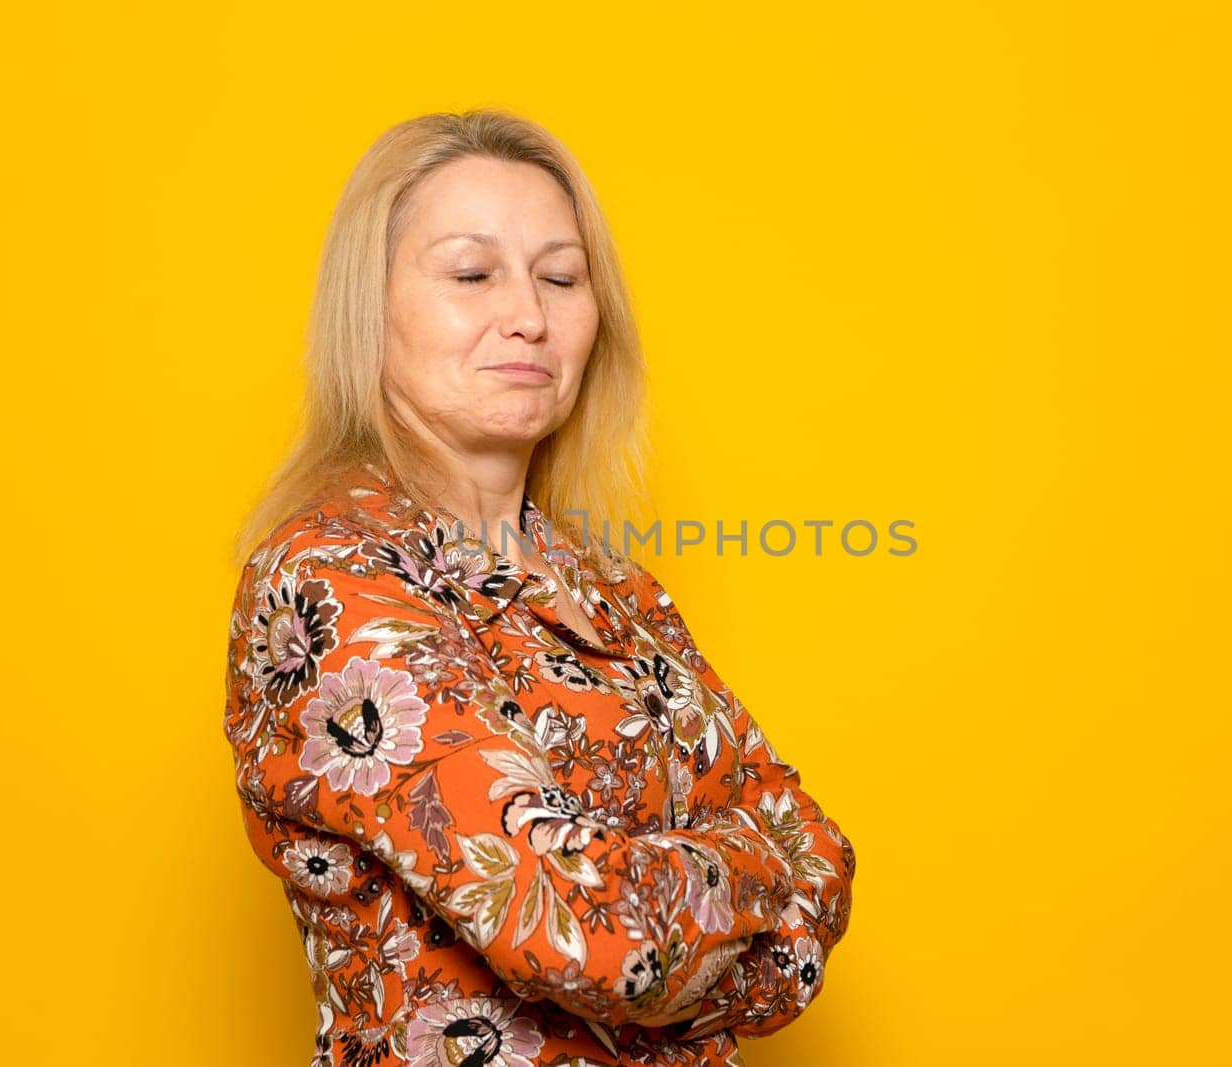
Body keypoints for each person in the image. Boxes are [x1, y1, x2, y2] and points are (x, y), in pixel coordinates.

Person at [224, 109, 856, 1067]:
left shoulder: (609, 585)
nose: (529, 313)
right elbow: (592, 934)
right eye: (472, 273)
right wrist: (745, 884)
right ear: (371, 306)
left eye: (561, 277)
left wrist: (687, 914)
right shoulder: (332, 582)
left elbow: (824, 860)